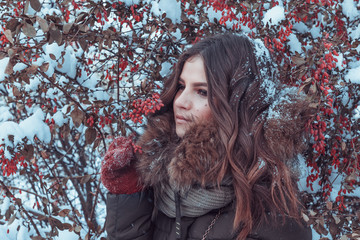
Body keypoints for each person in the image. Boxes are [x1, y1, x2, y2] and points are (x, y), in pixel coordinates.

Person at [101, 34, 313, 240]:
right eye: (182, 87)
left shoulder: (271, 215)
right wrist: (129, 196)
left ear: (238, 106)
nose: (180, 101)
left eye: (202, 92)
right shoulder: (163, 180)